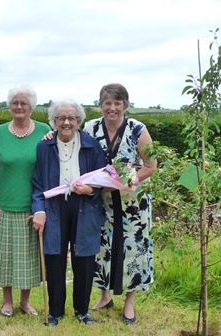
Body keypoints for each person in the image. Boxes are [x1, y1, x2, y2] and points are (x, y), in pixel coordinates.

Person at [85, 83, 157, 324]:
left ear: (125, 105)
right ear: (101, 105)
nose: (112, 108)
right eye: (107, 103)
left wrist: (128, 180)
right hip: (101, 202)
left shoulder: (138, 129)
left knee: (133, 250)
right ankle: (104, 296)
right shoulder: (90, 127)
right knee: (102, 249)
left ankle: (129, 303)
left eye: (117, 103)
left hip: (133, 205)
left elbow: (151, 166)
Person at [31, 99, 107, 327]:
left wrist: (91, 189)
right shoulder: (44, 146)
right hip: (54, 207)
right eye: (61, 118)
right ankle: (55, 311)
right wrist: (39, 210)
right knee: (54, 257)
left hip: (84, 205)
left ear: (78, 121)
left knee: (83, 258)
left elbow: (103, 178)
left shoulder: (91, 145)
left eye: (71, 118)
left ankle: (82, 310)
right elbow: (37, 183)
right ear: (53, 121)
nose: (66, 122)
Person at [0, 84, 51, 317]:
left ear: (32, 106)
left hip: (33, 206)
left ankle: (25, 301)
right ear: (9, 106)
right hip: (5, 204)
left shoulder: (44, 130)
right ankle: (7, 301)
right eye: (15, 102)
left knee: (28, 259)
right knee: (6, 257)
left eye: (23, 103)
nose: (19, 106)